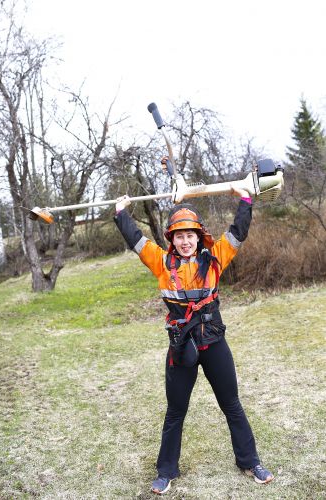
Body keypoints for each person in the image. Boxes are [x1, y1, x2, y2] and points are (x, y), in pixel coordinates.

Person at [114, 175, 274, 495]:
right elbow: (137, 241)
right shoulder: (161, 262)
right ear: (171, 239)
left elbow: (238, 232)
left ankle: (249, 460)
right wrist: (121, 214)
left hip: (213, 341)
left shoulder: (215, 257)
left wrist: (245, 201)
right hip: (181, 347)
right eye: (179, 236)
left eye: (190, 235)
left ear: (198, 237)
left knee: (231, 403)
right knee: (175, 411)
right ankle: (165, 471)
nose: (185, 241)